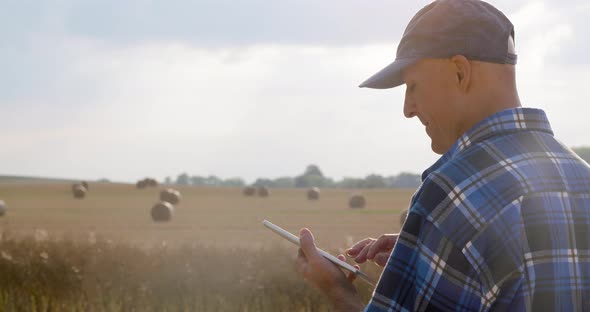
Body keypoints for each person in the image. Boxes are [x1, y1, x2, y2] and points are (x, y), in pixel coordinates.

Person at [294, 0, 590, 311]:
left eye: (412, 86)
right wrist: (443, 247)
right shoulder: (582, 178)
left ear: (460, 72)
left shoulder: (452, 195)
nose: (408, 108)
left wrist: (338, 290)